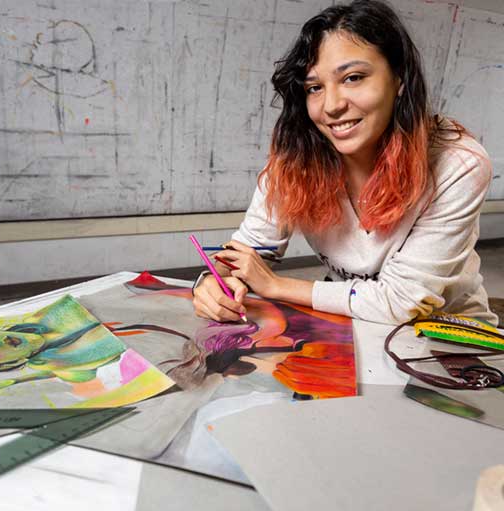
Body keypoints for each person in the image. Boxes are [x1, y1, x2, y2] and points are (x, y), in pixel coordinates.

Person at [192, 0, 496, 326]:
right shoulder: (297, 160)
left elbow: (402, 301)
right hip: (357, 326)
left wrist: (277, 286)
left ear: (399, 79)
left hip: (450, 339)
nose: (332, 105)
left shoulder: (458, 164)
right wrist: (211, 282)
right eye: (314, 87)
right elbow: (243, 253)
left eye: (352, 78)